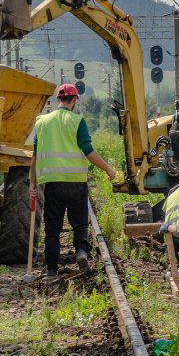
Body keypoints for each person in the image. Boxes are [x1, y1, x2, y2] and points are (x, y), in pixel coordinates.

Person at [31, 83, 117, 279]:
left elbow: (34, 157)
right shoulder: (77, 121)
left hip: (52, 184)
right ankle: (81, 252)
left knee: (52, 228)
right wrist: (108, 169)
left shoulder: (42, 122)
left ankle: (52, 270)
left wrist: (33, 183)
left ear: (58, 100)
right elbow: (88, 151)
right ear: (74, 100)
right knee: (79, 223)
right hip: (76, 182)